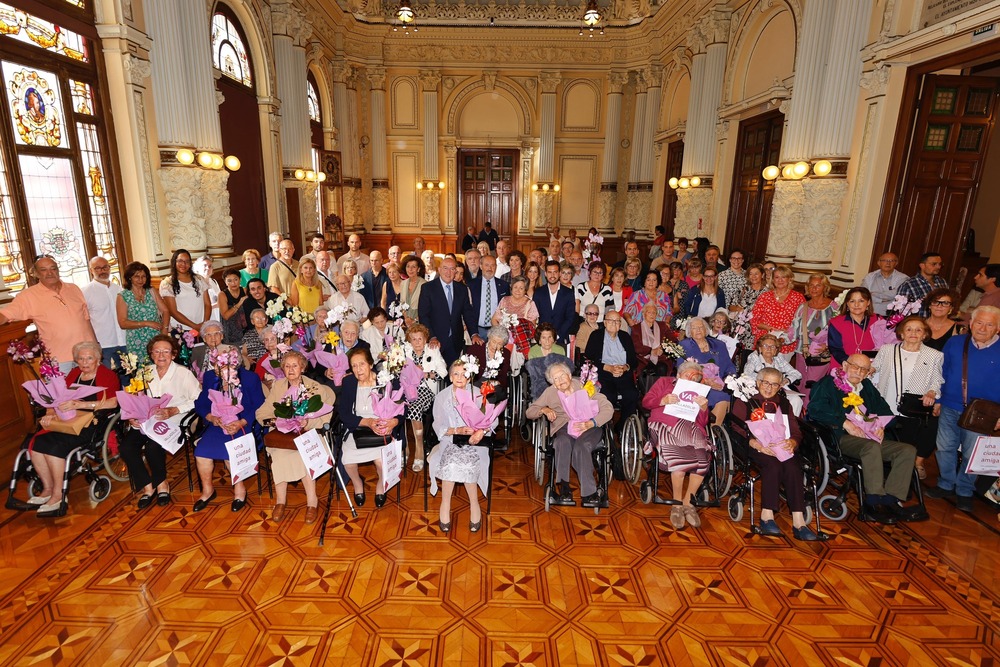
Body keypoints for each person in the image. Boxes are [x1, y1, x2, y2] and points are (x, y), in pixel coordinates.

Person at [807, 353, 923, 524]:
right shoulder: (828, 384)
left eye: (864, 370)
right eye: (855, 367)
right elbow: (815, 409)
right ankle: (873, 503)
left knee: (907, 450)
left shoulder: (866, 386)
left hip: (868, 437)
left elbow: (884, 408)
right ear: (845, 366)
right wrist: (844, 422)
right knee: (871, 448)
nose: (859, 372)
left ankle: (890, 500)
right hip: (839, 437)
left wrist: (881, 425)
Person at [29, 341, 120, 517]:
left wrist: (81, 404)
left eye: (89, 358)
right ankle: (47, 489)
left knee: (55, 448)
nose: (85, 362)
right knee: (38, 443)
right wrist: (49, 413)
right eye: (80, 358)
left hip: (91, 424)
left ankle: (58, 495)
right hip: (67, 421)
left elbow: (113, 402)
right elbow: (56, 398)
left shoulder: (108, 375)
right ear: (76, 360)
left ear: (98, 358)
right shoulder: (73, 374)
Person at [730, 368, 819, 540]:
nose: (769, 388)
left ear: (780, 387)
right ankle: (766, 516)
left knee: (794, 467)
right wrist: (755, 443)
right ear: (758, 383)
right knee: (773, 465)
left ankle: (799, 522)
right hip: (754, 445)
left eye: (774, 384)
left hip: (780, 445)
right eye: (765, 383)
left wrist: (792, 442)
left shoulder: (784, 403)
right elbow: (736, 427)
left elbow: (795, 430)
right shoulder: (746, 399)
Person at [927, 305, 1000, 512]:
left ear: (997, 328)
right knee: (945, 448)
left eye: (989, 324)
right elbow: (940, 371)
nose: (983, 328)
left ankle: (965, 491)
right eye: (979, 322)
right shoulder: (956, 342)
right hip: (949, 405)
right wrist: (938, 399)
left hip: (984, 413)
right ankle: (946, 484)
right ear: (970, 323)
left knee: (971, 454)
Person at [119, 335, 200, 510]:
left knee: (153, 447)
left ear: (173, 354)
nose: (161, 355)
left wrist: (174, 410)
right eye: (157, 351)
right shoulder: (143, 373)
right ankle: (148, 486)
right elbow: (134, 399)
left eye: (166, 351)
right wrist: (132, 415)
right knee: (126, 447)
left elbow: (198, 399)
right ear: (151, 354)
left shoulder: (183, 373)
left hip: (175, 418)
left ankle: (162, 484)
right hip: (147, 420)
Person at [256, 349, 335, 523]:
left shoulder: (314, 387)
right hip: (283, 438)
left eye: (295, 365)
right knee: (279, 456)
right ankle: (280, 502)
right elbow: (262, 412)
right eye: (287, 366)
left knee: (302, 456)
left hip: (309, 434)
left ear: (303, 368)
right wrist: (275, 421)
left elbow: (325, 416)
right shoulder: (278, 387)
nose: (291, 369)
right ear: (282, 369)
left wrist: (308, 423)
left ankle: (312, 502)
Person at [525, 359, 613, 507]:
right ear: (552, 383)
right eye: (555, 379)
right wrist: (544, 410)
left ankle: (589, 493)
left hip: (589, 426)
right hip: (564, 427)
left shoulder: (585, 386)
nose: (560, 381)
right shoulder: (550, 392)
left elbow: (608, 407)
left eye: (562, 375)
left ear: (570, 375)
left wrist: (593, 422)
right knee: (561, 442)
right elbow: (529, 412)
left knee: (582, 445)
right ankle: (564, 488)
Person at [641, 361, 713, 529]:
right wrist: (662, 400)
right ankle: (676, 504)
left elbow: (703, 422)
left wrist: (703, 408)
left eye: (696, 377)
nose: (692, 380)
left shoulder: (699, 392)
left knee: (702, 459)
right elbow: (646, 402)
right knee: (680, 461)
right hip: (664, 425)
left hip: (691, 428)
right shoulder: (664, 382)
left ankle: (688, 503)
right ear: (679, 375)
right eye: (689, 375)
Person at [192, 346, 265, 512]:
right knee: (201, 452)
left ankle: (240, 491)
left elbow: (259, 405)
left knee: (230, 451)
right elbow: (201, 403)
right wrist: (210, 417)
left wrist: (242, 423)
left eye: (224, 364)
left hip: (242, 424)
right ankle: (208, 490)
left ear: (235, 363)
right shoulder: (211, 377)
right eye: (217, 365)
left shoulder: (249, 378)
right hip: (218, 425)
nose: (220, 369)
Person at [429, 359, 498, 532]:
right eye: (456, 374)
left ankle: (474, 504)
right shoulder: (442, 397)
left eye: (463, 374)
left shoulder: (478, 393)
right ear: (451, 377)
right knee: (452, 462)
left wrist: (480, 432)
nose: (460, 377)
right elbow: (437, 424)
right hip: (451, 441)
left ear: (469, 377)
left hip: (475, 443)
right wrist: (455, 429)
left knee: (469, 461)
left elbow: (492, 419)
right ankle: (445, 505)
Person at [872, 315, 944, 481]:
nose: (914, 333)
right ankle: (879, 478)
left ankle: (901, 481)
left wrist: (932, 392)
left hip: (911, 408)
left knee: (906, 445)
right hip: (886, 405)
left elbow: (937, 379)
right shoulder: (887, 350)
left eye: (918, 330)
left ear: (924, 334)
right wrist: (868, 370)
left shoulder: (934, 355)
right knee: (884, 443)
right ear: (902, 333)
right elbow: (874, 368)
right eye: (909, 329)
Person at [0, 255, 98, 372]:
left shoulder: (73, 288)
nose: (49, 273)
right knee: (61, 390)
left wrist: (96, 346)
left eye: (53, 268)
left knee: (93, 389)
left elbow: (86, 320)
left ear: (58, 270)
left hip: (87, 355)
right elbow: (5, 315)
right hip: (58, 359)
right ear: (36, 274)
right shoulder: (28, 296)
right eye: (43, 270)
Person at [337, 347, 399, 508]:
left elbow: (401, 409)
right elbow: (344, 413)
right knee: (348, 461)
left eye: (362, 364)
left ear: (370, 364)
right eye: (354, 366)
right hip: (358, 428)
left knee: (380, 462)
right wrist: (367, 422)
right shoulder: (349, 382)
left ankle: (380, 485)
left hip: (382, 430)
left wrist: (394, 422)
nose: (358, 369)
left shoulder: (385, 380)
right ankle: (358, 484)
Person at [418, 257, 481, 366]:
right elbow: (423, 316)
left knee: (453, 374)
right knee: (436, 375)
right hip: (435, 341)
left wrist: (474, 334)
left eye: (452, 269)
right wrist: (432, 336)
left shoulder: (462, 289)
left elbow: (468, 313)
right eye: (445, 268)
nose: (448, 272)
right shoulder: (428, 288)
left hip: (455, 341)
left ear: (455, 272)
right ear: (439, 270)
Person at [403, 324, 447, 472]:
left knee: (414, 406)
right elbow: (394, 370)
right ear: (409, 340)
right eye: (413, 339)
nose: (417, 342)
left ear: (425, 339)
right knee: (398, 405)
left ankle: (419, 448)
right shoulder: (404, 351)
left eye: (420, 339)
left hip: (425, 389)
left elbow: (444, 372)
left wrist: (425, 374)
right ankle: (405, 447)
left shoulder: (433, 350)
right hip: (406, 389)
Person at [679, 316, 736, 426]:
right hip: (697, 386)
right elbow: (683, 370)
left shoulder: (719, 345)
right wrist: (705, 381)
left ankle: (715, 432)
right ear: (689, 332)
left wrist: (729, 380)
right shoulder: (684, 345)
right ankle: (713, 432)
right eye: (695, 328)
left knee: (730, 396)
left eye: (701, 327)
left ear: (706, 330)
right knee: (722, 397)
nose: (699, 330)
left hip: (720, 385)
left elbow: (729, 366)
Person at [584, 311, 639, 424]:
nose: (614, 323)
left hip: (623, 373)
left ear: (620, 324)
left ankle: (623, 426)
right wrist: (607, 367)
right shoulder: (596, 335)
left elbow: (634, 360)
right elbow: (589, 358)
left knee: (632, 394)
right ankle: (606, 424)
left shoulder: (625, 336)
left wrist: (625, 367)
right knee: (609, 396)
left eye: (617, 321)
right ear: (604, 322)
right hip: (604, 373)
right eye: (610, 320)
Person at [791, 273, 837, 389]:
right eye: (811, 285)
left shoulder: (834, 307)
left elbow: (839, 332)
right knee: (800, 383)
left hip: (821, 353)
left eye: (818, 285)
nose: (814, 288)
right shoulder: (803, 307)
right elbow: (793, 328)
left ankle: (810, 407)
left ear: (825, 288)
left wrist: (827, 346)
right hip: (802, 351)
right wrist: (781, 339)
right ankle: (800, 407)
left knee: (814, 385)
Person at [116, 261, 169, 362]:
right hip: (136, 341)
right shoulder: (123, 296)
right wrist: (146, 323)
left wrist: (164, 330)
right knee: (142, 372)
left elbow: (165, 311)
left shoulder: (151, 291)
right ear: (129, 277)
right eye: (137, 276)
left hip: (156, 338)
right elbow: (123, 323)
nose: (140, 280)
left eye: (143, 276)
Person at [749, 265, 804, 361]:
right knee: (761, 372)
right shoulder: (765, 296)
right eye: (777, 277)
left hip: (785, 342)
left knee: (778, 373)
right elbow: (754, 319)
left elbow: (801, 322)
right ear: (772, 280)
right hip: (765, 340)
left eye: (783, 277)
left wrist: (786, 332)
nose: (780, 280)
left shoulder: (798, 298)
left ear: (789, 279)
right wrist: (768, 328)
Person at [741, 334, 804, 416]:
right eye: (765, 346)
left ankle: (789, 424)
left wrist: (786, 380)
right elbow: (746, 375)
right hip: (761, 391)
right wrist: (761, 382)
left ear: (775, 351)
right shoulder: (754, 358)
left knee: (796, 400)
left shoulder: (779, 359)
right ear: (760, 349)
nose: (769, 349)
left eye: (773, 347)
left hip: (778, 391)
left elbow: (797, 374)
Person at [82, 256, 126, 364]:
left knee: (128, 376)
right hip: (102, 344)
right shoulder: (85, 292)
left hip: (123, 341)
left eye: (105, 267)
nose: (102, 271)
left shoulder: (119, 289)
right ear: (91, 270)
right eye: (97, 268)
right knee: (105, 377)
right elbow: (84, 319)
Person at [827, 287, 882, 369]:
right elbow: (835, 349)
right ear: (847, 304)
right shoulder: (836, 323)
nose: (857, 305)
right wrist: (851, 365)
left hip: (871, 368)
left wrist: (873, 365)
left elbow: (884, 347)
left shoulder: (878, 321)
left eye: (861, 301)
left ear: (868, 303)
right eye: (852, 301)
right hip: (844, 367)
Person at [159, 249, 211, 333]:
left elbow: (207, 304)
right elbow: (173, 311)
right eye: (180, 261)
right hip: (181, 329)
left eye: (187, 261)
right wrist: (194, 326)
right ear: (174, 262)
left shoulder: (199, 279)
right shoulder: (167, 283)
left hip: (202, 327)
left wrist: (204, 324)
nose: (183, 264)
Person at [532, 259, 576, 346]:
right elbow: (534, 316)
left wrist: (557, 336)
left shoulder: (569, 293)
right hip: (542, 339)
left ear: (559, 273)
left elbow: (570, 317)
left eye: (555, 272)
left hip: (561, 338)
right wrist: (543, 336)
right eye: (549, 272)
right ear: (545, 274)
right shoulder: (538, 292)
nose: (552, 275)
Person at [469, 255, 511, 340]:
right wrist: (473, 332)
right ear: (481, 266)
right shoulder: (471, 285)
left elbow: (507, 308)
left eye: (493, 265)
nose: (490, 268)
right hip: (477, 330)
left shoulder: (504, 285)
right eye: (487, 265)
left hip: (496, 330)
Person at [897, 252, 949, 317]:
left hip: (940, 322)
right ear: (922, 266)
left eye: (940, 264)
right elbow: (901, 311)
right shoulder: (909, 285)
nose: (938, 267)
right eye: (934, 264)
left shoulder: (942, 281)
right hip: (919, 324)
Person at [631, 301, 674, 378]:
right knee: (644, 371)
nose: (652, 314)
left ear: (656, 315)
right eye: (649, 312)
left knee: (662, 368)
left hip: (661, 358)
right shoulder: (636, 328)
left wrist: (662, 348)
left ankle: (660, 389)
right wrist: (651, 351)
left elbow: (673, 340)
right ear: (644, 314)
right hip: (643, 359)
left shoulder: (662, 326)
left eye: (654, 312)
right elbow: (636, 346)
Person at [218, 268, 247, 345]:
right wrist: (239, 303)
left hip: (245, 328)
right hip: (231, 330)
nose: (233, 283)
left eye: (235, 279)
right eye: (229, 281)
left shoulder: (244, 290)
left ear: (240, 280)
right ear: (225, 282)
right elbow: (226, 316)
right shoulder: (222, 294)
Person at [193, 254, 222, 321]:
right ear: (197, 268)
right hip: (205, 318)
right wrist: (215, 305)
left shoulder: (213, 281)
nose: (208, 268)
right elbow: (197, 307)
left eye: (210, 266)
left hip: (218, 316)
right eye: (204, 265)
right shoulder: (195, 284)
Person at [399, 254, 426, 325]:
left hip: (420, 322)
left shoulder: (425, 285)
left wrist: (414, 320)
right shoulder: (403, 283)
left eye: (413, 267)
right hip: (407, 322)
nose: (410, 269)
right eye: (408, 266)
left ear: (418, 269)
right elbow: (402, 303)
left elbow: (427, 308)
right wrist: (406, 319)